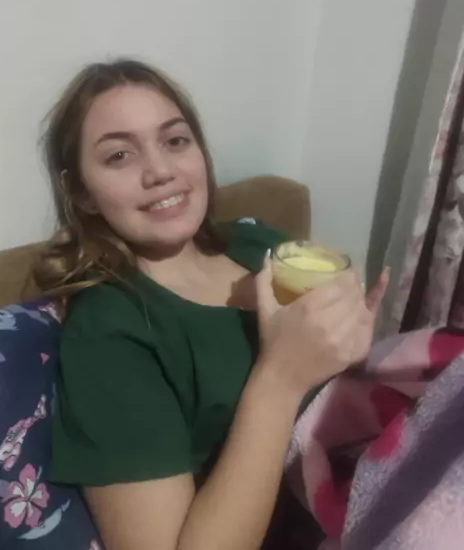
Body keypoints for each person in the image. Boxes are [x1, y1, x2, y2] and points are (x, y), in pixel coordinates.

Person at [34, 59, 387, 550]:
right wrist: (280, 379)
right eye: (119, 155)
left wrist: (350, 345)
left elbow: (336, 380)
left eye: (176, 141)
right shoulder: (110, 332)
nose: (161, 171)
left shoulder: (258, 244)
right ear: (82, 192)